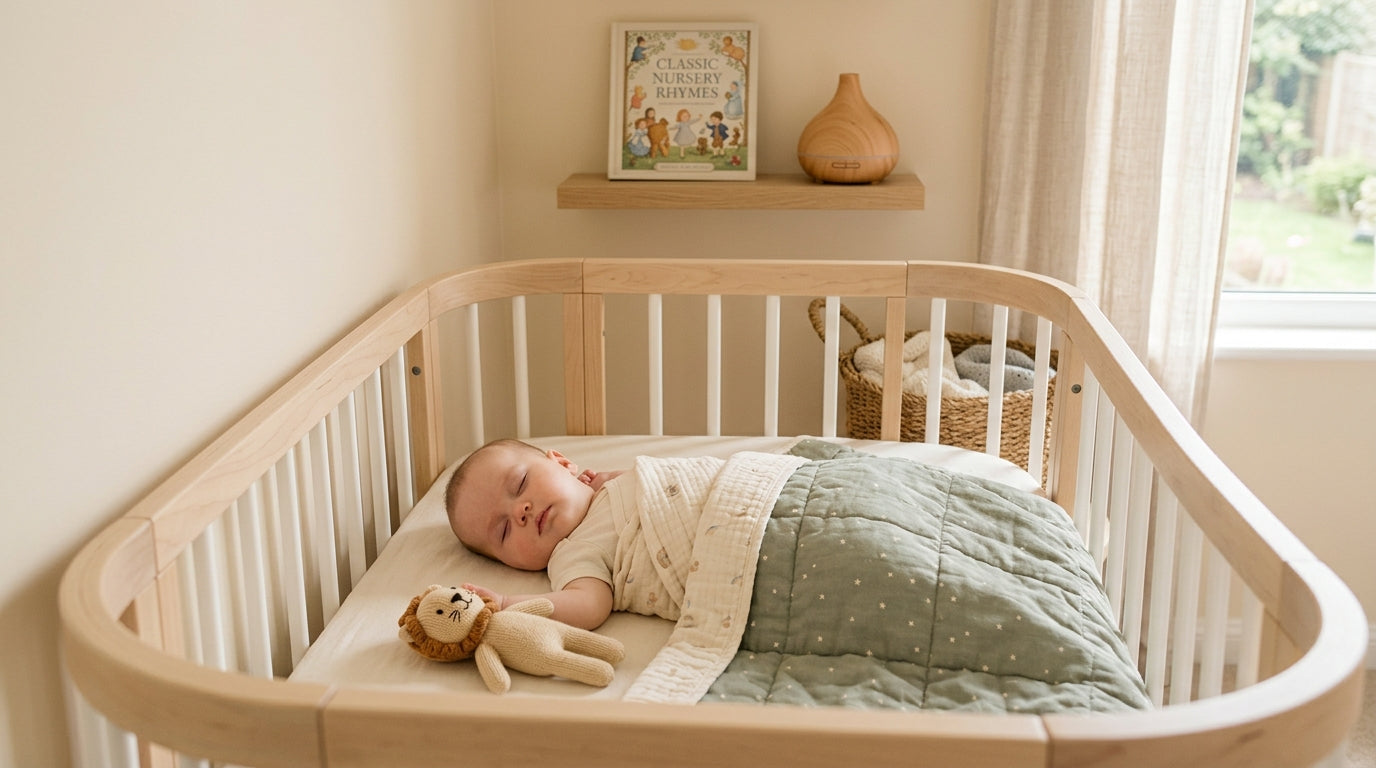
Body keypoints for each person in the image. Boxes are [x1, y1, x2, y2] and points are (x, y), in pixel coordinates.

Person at [447, 439, 625, 630]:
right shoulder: (573, 555)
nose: (519, 512)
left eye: (520, 484)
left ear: (562, 463)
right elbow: (590, 605)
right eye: (504, 530)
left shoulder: (614, 481)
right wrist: (505, 604)